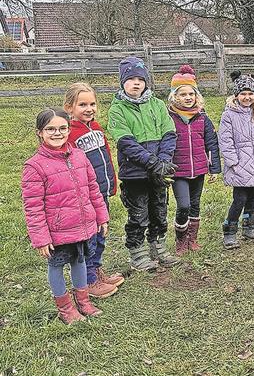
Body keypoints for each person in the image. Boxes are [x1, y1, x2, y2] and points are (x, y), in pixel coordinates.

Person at [22, 108, 109, 324]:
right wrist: (41, 238)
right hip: (57, 232)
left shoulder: (79, 156)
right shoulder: (34, 166)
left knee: (80, 261)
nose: (57, 133)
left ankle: (83, 301)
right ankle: (65, 308)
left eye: (62, 128)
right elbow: (33, 207)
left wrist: (101, 216)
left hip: (82, 226)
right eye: (50, 129)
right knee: (56, 267)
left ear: (69, 130)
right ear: (40, 132)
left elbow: (93, 188)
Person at [107, 57, 178, 271]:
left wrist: (164, 160)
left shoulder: (157, 105)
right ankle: (138, 253)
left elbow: (169, 133)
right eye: (131, 79)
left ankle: (158, 247)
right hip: (134, 173)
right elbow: (125, 142)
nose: (136, 83)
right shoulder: (117, 110)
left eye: (140, 79)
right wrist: (152, 162)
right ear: (122, 82)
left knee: (159, 210)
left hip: (159, 172)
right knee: (138, 214)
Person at [64, 83, 123, 299]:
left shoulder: (96, 128)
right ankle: (88, 280)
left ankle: (97, 270)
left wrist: (111, 183)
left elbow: (106, 157)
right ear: (69, 108)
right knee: (90, 236)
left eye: (92, 104)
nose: (89, 109)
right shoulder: (70, 134)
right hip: (85, 195)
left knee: (101, 233)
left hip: (101, 191)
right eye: (82, 105)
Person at [218, 71, 254, 249]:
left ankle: (250, 227)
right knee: (239, 199)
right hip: (239, 165)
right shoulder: (229, 115)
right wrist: (233, 161)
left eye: (250, 93)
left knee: (253, 198)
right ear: (236, 95)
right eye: (243, 93)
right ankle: (229, 230)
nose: (247, 97)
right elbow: (225, 140)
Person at [167, 65, 221, 254]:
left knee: (195, 205)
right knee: (184, 205)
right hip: (178, 170)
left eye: (191, 94)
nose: (188, 98)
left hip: (199, 168)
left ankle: (193, 239)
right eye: (183, 94)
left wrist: (214, 168)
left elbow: (211, 143)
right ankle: (181, 239)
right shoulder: (169, 118)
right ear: (175, 96)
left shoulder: (202, 117)